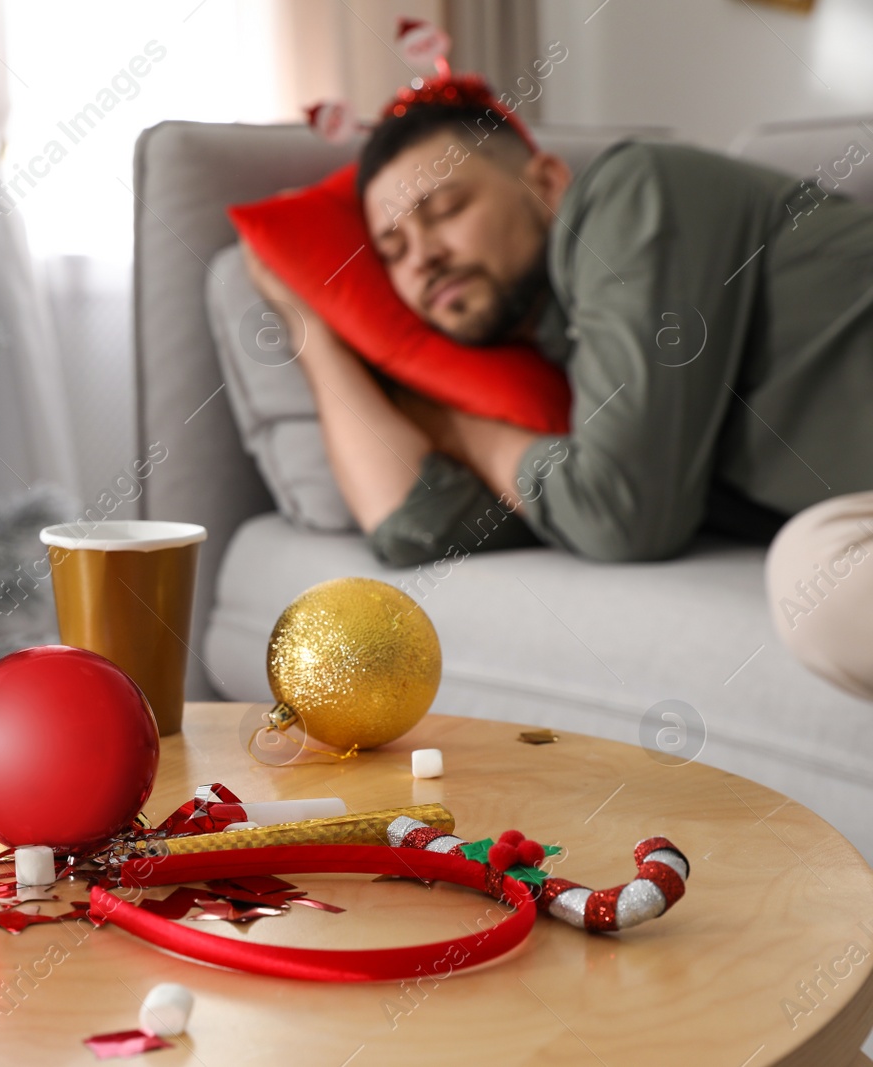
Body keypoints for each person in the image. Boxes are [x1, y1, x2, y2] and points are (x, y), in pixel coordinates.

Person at [243, 75, 873, 698]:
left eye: (445, 209)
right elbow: (417, 524)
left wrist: (464, 432)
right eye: (392, 249)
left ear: (545, 183)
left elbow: (622, 515)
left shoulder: (633, 192)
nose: (423, 256)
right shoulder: (554, 366)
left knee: (817, 579)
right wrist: (314, 335)